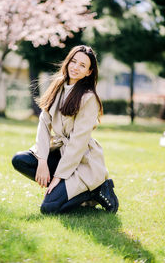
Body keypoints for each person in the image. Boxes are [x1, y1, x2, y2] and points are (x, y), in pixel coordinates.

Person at [12, 45, 119, 214]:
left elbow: (78, 144)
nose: (75, 67)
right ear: (67, 62)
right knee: (20, 160)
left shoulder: (88, 98)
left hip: (82, 161)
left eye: (82, 65)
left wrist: (57, 178)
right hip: (60, 151)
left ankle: (97, 189)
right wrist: (42, 160)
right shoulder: (57, 85)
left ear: (89, 72)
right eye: (73, 61)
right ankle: (63, 189)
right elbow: (44, 124)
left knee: (49, 209)